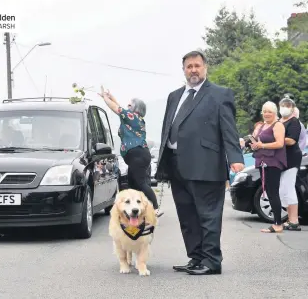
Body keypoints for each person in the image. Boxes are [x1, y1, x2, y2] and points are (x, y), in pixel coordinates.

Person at [155, 50, 244, 275]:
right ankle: (196, 257)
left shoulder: (219, 94)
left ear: (205, 68)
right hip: (176, 164)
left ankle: (212, 261)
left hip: (206, 164)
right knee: (187, 215)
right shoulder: (174, 96)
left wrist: (235, 158)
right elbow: (168, 127)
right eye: (189, 66)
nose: (193, 70)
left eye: (197, 65)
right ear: (183, 69)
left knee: (208, 215)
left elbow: (229, 129)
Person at [98, 88, 163, 217]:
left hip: (138, 155)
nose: (127, 107)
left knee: (140, 183)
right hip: (137, 155)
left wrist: (105, 98)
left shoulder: (132, 117)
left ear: (135, 109)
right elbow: (120, 108)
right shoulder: (132, 118)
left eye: (130, 105)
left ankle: (155, 208)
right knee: (133, 185)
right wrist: (111, 97)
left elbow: (116, 109)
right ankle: (137, 210)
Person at [247, 101, 286, 233]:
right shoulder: (261, 125)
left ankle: (278, 224)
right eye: (264, 111)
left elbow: (280, 143)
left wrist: (261, 145)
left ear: (275, 112)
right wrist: (253, 144)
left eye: (269, 111)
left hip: (273, 162)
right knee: (269, 192)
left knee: (273, 192)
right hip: (262, 161)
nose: (267, 114)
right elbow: (257, 141)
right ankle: (277, 223)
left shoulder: (278, 125)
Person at [278, 97, 302, 231]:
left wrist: (276, 138)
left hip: (292, 159)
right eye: (282, 105)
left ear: (292, 109)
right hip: (281, 159)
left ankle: (294, 220)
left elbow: (292, 141)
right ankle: (290, 218)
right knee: (282, 190)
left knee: (288, 188)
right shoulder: (279, 121)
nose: (284, 107)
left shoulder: (294, 122)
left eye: (287, 105)